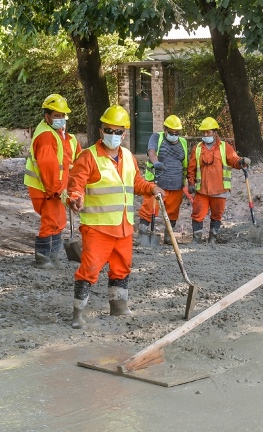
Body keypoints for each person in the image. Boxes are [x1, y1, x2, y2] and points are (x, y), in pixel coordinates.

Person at [66, 105, 164, 329]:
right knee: (89, 269)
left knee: (122, 266)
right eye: (109, 130)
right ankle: (77, 314)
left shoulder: (128, 157)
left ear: (125, 133)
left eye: (119, 131)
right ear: (101, 131)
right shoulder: (88, 157)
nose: (114, 134)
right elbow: (76, 184)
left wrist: (151, 188)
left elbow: (136, 182)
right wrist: (75, 198)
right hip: (98, 228)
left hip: (123, 227)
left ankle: (118, 307)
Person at [24, 93, 81, 269]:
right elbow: (48, 169)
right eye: (57, 116)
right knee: (51, 222)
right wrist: (58, 192)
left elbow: (74, 163)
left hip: (56, 188)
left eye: (63, 116)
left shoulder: (62, 136)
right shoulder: (47, 137)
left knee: (58, 221)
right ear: (47, 116)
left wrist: (71, 191)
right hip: (47, 189)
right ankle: (43, 258)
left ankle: (53, 256)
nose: (61, 119)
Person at [186, 117, 250, 244]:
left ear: (215, 132)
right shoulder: (197, 148)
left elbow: (234, 160)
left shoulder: (225, 147)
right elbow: (191, 168)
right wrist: (191, 183)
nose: (205, 135)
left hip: (219, 190)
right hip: (202, 190)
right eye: (203, 132)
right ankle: (196, 240)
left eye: (208, 132)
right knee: (197, 213)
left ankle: (212, 239)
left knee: (217, 215)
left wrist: (242, 161)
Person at [137, 114, 190, 245]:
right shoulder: (157, 137)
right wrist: (156, 163)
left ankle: (169, 237)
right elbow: (151, 151)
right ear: (165, 129)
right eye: (171, 132)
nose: (174, 134)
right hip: (156, 183)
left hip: (176, 184)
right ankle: (143, 235)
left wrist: (190, 181)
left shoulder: (183, 142)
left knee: (172, 212)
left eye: (176, 132)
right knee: (149, 209)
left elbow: (186, 163)